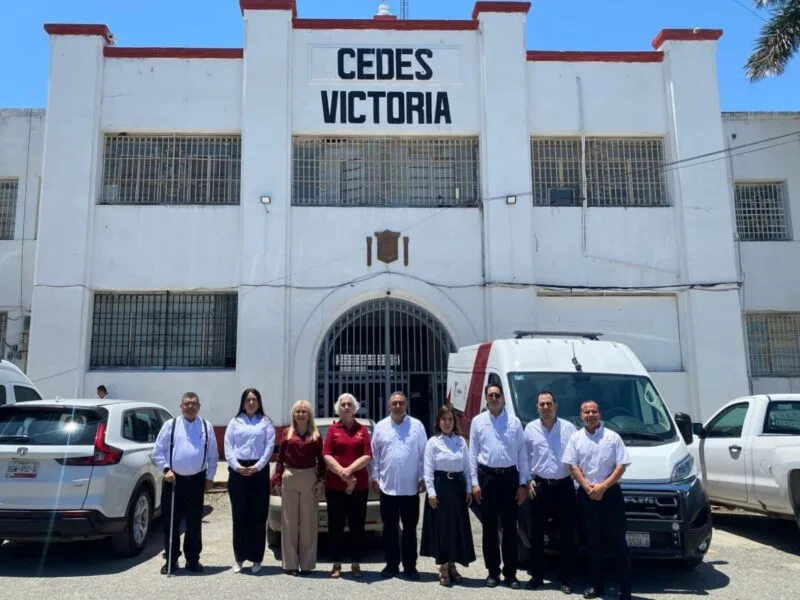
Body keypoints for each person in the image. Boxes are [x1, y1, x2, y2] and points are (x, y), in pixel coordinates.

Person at [562, 400, 633, 600]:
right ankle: (596, 586)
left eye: (594, 411)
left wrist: (603, 487)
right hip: (586, 494)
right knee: (593, 543)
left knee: (619, 542)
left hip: (611, 494)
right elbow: (572, 466)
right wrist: (587, 487)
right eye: (586, 412)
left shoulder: (613, 437)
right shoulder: (576, 438)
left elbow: (621, 466)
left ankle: (625, 589)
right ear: (581, 415)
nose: (590, 415)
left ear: (600, 414)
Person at [468, 382, 529, 589]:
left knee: (510, 528)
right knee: (490, 528)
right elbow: (473, 453)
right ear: (486, 398)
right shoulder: (478, 421)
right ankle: (493, 572)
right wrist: (474, 483)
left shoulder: (514, 422)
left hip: (510, 478)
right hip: (488, 479)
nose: (493, 398)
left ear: (502, 398)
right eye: (490, 395)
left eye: (497, 395)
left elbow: (522, 454)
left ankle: (510, 574)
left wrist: (523, 483)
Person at [152, 392, 217, 574]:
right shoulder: (170, 425)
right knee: (171, 522)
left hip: (196, 480)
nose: (190, 407)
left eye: (194, 404)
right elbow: (157, 451)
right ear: (181, 407)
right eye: (187, 404)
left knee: (194, 522)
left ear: (199, 406)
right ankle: (171, 560)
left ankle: (193, 559)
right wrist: (166, 469)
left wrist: (210, 477)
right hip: (173, 480)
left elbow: (212, 454)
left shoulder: (206, 426)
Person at [523, 391, 578, 594]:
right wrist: (527, 481)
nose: (545, 408)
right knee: (536, 533)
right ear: (537, 407)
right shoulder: (530, 429)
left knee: (567, 534)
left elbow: (576, 456)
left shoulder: (569, 428)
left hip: (564, 486)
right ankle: (537, 576)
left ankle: (566, 579)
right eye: (541, 404)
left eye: (549, 404)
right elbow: (525, 458)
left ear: (556, 405)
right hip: (540, 487)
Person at [370, 391, 427, 580]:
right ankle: (391, 565)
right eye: (394, 403)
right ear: (388, 406)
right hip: (387, 488)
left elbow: (423, 454)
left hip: (411, 488)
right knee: (390, 530)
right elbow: (375, 455)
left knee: (410, 530)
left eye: (401, 403)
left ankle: (410, 567)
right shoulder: (381, 427)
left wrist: (423, 477)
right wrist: (375, 477)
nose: (397, 406)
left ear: (406, 405)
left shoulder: (417, 426)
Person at [420, 404, 475, 586]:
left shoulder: (460, 442)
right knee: (442, 529)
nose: (447, 422)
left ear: (454, 421)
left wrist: (468, 489)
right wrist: (431, 493)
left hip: (457, 489)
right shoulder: (433, 442)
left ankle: (452, 565)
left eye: (450, 419)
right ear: (438, 421)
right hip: (440, 488)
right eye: (443, 419)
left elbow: (467, 468)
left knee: (455, 528)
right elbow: (427, 470)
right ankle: (443, 566)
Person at [223, 388, 276, 574]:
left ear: (259, 402)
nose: (251, 402)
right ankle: (239, 558)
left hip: (258, 472)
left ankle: (256, 558)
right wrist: (236, 466)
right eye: (248, 399)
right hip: (238, 472)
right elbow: (228, 446)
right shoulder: (235, 422)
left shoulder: (266, 422)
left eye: (254, 399)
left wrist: (258, 466)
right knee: (239, 516)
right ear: (243, 403)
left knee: (257, 517)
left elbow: (269, 447)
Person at [271, 399, 326, 576]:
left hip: (309, 476)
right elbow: (280, 459)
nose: (300, 414)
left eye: (304, 411)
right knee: (289, 522)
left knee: (309, 521)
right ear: (293, 414)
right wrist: (277, 480)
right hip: (291, 476)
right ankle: (290, 564)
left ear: (309, 414)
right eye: (297, 411)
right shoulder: (287, 433)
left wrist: (320, 481)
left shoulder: (316, 435)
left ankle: (307, 564)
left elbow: (322, 460)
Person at [322, 393, 372, 579]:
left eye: (349, 404)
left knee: (357, 525)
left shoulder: (362, 430)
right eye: (343, 404)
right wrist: (342, 473)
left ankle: (356, 563)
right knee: (335, 525)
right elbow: (326, 454)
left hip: (358, 487)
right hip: (335, 486)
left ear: (354, 408)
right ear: (338, 408)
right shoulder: (333, 430)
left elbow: (367, 454)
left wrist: (348, 470)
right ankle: (336, 564)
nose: (346, 407)